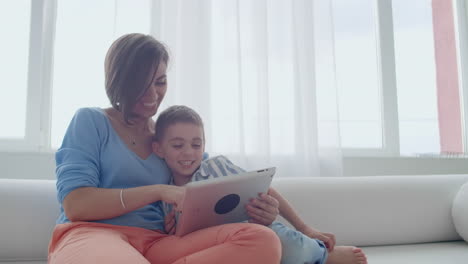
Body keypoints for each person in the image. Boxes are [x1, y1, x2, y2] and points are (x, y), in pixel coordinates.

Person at [48, 33, 282, 264]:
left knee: (262, 240)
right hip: (92, 234)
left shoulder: (167, 138)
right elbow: (76, 205)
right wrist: (158, 191)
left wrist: (261, 207)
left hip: (158, 243)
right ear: (119, 81)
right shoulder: (91, 121)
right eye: (142, 85)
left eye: (160, 82)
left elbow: (218, 186)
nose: (153, 95)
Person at [152, 105, 368, 264]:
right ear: (159, 149)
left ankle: (325, 255)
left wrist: (304, 227)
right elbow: (179, 239)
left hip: (257, 231)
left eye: (196, 144)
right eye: (178, 145)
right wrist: (174, 229)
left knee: (287, 245)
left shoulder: (214, 167)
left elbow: (266, 190)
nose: (189, 152)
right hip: (224, 247)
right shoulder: (166, 193)